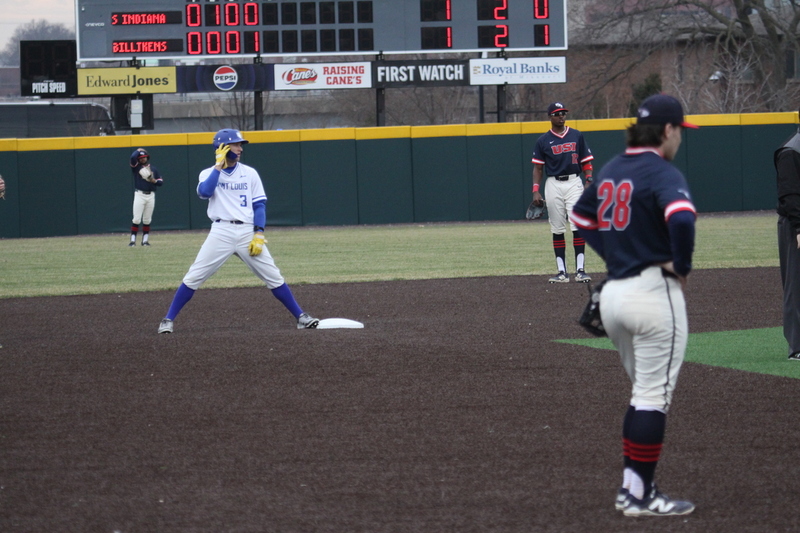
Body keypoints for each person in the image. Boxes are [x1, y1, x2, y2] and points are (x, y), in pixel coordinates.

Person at [570, 94, 698, 516]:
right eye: (679, 131)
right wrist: (681, 265)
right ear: (667, 130)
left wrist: (617, 255)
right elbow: (681, 217)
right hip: (652, 295)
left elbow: (581, 216)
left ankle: (633, 488)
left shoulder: (612, 168)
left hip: (613, 296)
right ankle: (641, 496)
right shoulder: (660, 170)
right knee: (652, 397)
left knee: (642, 394)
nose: (680, 138)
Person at [158, 129, 319, 334]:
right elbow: (204, 192)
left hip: (246, 232)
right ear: (222, 147)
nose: (240, 148)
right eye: (235, 144)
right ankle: (168, 319)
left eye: (240, 144)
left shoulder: (249, 173)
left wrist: (259, 233)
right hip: (221, 231)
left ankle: (301, 316)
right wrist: (218, 166)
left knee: (273, 275)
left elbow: (259, 205)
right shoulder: (208, 173)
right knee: (194, 276)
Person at [531, 102, 595, 283]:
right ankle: (562, 272)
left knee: (577, 226)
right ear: (550, 116)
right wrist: (535, 190)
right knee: (557, 228)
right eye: (557, 113)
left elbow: (586, 161)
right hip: (553, 183)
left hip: (574, 182)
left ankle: (580, 270)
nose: (561, 116)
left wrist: (589, 179)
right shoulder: (543, 141)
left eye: (563, 113)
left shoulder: (576, 135)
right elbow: (538, 168)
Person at [775, 115, 800, 361]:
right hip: (795, 225)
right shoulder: (791, 151)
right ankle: (797, 346)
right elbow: (790, 195)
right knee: (796, 284)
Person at [129, 148, 163, 246]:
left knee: (147, 219)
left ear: (147, 157)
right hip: (140, 194)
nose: (143, 159)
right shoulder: (136, 168)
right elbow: (132, 157)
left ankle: (145, 241)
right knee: (136, 219)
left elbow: (160, 182)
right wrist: (138, 150)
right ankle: (132, 241)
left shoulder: (153, 169)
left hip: (151, 195)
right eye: (141, 157)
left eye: (144, 157)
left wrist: (154, 181)